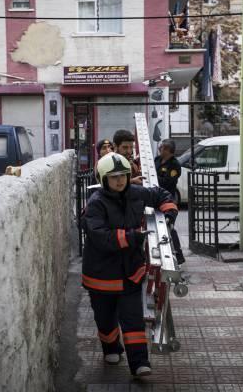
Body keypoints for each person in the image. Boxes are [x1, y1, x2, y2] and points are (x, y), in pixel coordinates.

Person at [81, 153, 178, 377]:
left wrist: (170, 211)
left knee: (133, 319)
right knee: (105, 320)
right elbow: (100, 237)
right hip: (102, 276)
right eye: (114, 177)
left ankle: (139, 363)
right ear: (104, 179)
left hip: (130, 272)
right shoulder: (95, 204)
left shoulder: (136, 193)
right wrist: (133, 237)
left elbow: (160, 194)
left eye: (123, 175)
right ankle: (111, 347)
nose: (120, 181)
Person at [154, 139, 185, 265]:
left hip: (167, 199)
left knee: (169, 226)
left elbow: (168, 182)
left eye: (161, 147)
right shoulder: (156, 160)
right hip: (155, 197)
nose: (159, 149)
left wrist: (154, 178)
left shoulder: (175, 165)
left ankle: (178, 254)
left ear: (166, 149)